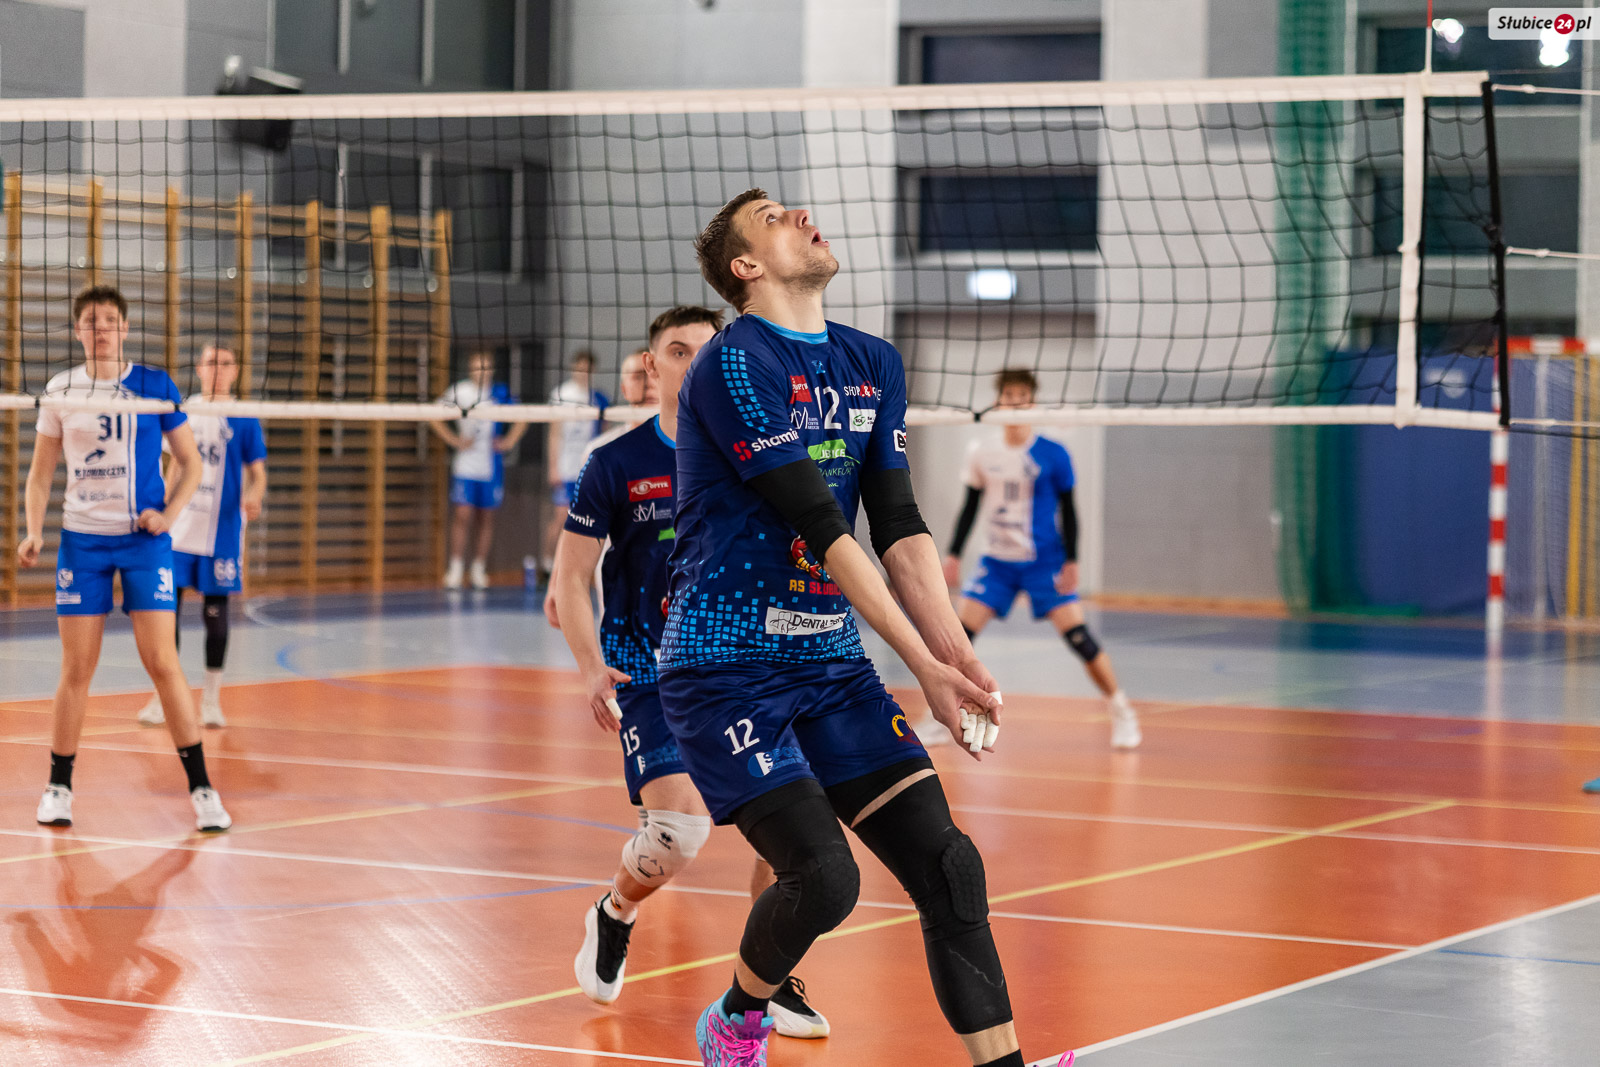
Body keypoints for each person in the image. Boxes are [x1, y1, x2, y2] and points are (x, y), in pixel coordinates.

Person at [663, 189, 1029, 1067]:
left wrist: (958, 656)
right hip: (726, 667)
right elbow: (825, 527)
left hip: (829, 665)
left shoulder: (872, 362)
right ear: (746, 266)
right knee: (826, 879)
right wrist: (921, 666)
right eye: (773, 217)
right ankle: (735, 1018)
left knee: (950, 868)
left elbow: (897, 527)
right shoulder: (733, 365)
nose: (800, 216)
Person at [552, 307, 829, 1039]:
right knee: (678, 832)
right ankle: (615, 910)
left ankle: (768, 981)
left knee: (794, 836)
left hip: (747, 665)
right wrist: (590, 667)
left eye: (709, 352)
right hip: (649, 671)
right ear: (652, 365)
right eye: (679, 351)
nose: (695, 363)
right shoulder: (615, 462)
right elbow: (569, 577)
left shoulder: (762, 452)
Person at [17, 285, 231, 832]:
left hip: (143, 542)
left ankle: (203, 790)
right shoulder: (61, 389)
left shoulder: (155, 385)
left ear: (126, 328)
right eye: (91, 321)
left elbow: (191, 463)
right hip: (82, 542)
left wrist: (169, 515)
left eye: (110, 320)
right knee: (76, 668)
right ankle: (58, 788)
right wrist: (33, 531)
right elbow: (40, 475)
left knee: (162, 662)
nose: (102, 329)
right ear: (78, 330)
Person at [942, 368, 1141, 750]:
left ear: (1033, 403)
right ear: (998, 402)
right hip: (996, 564)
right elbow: (969, 507)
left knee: (1080, 639)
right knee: (957, 643)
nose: (1015, 404)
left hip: (1044, 563)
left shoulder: (1053, 453)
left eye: (1022, 397)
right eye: (1009, 396)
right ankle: (940, 718)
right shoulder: (982, 452)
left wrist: (1073, 560)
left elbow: (1070, 510)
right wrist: (953, 555)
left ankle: (1122, 710)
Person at [135, 344, 266, 729]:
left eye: (225, 363)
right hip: (180, 527)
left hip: (221, 531)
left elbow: (258, 473)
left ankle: (211, 699)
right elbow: (176, 465)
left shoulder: (244, 416)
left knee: (216, 615)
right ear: (199, 368)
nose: (218, 369)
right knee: (166, 614)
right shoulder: (185, 410)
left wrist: (254, 495)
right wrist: (163, 508)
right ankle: (163, 698)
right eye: (211, 363)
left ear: (235, 370)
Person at [542, 348, 655, 628]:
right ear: (623, 387)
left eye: (653, 375)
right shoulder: (600, 452)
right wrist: (557, 584)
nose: (647, 385)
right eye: (637, 376)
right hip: (619, 584)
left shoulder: (690, 446)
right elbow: (576, 525)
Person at [432, 351, 526, 590]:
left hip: (491, 467)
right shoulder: (460, 391)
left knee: (486, 518)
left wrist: (508, 442)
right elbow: (433, 415)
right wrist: (454, 440)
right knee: (462, 515)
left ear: (491, 370)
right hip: (465, 465)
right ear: (470, 369)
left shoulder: (500, 393)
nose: (481, 372)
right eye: (477, 366)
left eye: (485, 367)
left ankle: (478, 569)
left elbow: (524, 416)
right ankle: (455, 569)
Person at [542, 350, 608, 583]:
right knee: (561, 517)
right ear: (573, 368)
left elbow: (605, 434)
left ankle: (581, 568)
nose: (583, 372)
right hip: (565, 467)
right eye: (580, 367)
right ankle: (548, 566)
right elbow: (554, 434)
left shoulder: (599, 398)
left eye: (588, 369)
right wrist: (553, 467)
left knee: (589, 519)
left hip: (587, 469)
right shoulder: (561, 394)